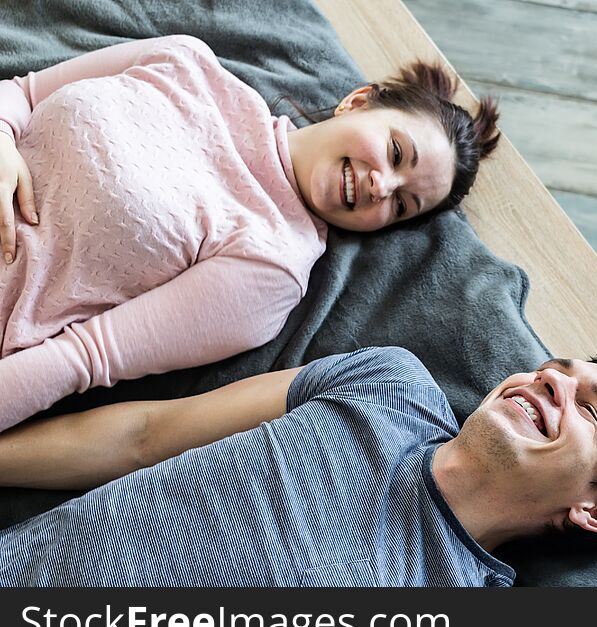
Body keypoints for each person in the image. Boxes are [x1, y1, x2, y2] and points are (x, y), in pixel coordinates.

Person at [0, 35, 500, 433]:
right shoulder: (185, 59)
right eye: (395, 153)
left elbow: (80, 359)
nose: (380, 185)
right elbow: (22, 92)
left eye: (400, 204)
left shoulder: (271, 266)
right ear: (358, 101)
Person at [0, 346, 597, 586]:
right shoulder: (389, 384)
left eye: (590, 411)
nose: (549, 382)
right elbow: (144, 434)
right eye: (553, 369)